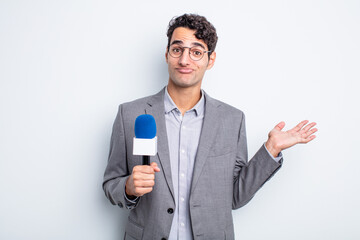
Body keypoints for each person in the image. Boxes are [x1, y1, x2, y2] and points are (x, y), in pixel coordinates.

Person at [103, 13, 317, 240]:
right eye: (177, 50)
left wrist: (271, 149)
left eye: (196, 52)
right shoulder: (131, 114)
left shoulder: (232, 120)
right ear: (167, 55)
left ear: (210, 60)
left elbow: (235, 196)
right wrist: (128, 187)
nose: (185, 60)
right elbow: (110, 184)